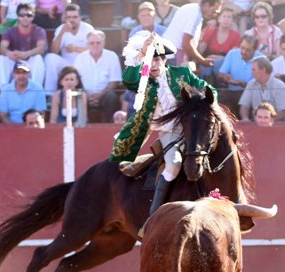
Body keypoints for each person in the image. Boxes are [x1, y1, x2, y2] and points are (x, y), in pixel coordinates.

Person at [110, 32, 217, 214]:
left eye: (157, 59)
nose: (154, 64)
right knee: (174, 163)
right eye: (150, 60)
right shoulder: (143, 79)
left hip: (192, 128)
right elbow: (128, 79)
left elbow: (209, 89)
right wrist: (143, 53)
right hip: (170, 132)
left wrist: (209, 99)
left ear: (165, 60)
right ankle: (155, 212)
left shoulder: (181, 73)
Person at [44, 3, 94, 96]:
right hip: (67, 66)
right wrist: (62, 32)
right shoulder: (61, 29)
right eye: (69, 17)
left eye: (75, 17)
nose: (71, 20)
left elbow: (94, 50)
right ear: (65, 18)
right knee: (50, 58)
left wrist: (76, 48)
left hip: (84, 65)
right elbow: (54, 50)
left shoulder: (88, 29)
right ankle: (49, 95)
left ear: (80, 18)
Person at [73, 30, 122, 123]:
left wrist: (100, 95)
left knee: (112, 97)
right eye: (91, 43)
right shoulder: (80, 58)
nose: (95, 45)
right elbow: (76, 80)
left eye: (98, 43)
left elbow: (115, 81)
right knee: (77, 96)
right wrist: (86, 95)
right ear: (87, 44)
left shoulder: (112, 56)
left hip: (105, 94)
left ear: (104, 43)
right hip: (85, 94)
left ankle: (109, 126)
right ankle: (80, 125)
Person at [0, 3, 47, 89]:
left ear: (33, 17)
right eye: (22, 15)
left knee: (38, 58)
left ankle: (35, 91)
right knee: (2, 59)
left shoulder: (39, 31)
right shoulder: (10, 31)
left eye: (29, 15)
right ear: (18, 16)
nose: (25, 18)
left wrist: (26, 54)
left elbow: (41, 48)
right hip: (14, 60)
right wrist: (10, 53)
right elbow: (1, 48)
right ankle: (3, 92)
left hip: (30, 62)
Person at [163, 0, 223, 66]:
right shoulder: (196, 13)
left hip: (169, 53)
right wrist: (202, 61)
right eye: (215, 11)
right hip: (172, 56)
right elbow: (186, 44)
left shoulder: (192, 8)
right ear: (206, 5)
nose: (215, 15)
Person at [217, 35, 262, 117]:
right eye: (242, 48)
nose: (244, 52)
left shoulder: (261, 59)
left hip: (251, 92)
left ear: (254, 50)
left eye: (248, 50)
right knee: (219, 97)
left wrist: (244, 84)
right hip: (232, 91)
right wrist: (225, 77)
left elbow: (262, 82)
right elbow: (220, 74)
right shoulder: (232, 54)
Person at [198, 7, 241, 86]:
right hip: (208, 59)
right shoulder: (211, 31)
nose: (226, 19)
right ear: (219, 19)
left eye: (229, 17)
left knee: (218, 63)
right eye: (224, 16)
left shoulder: (236, 35)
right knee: (205, 66)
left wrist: (218, 58)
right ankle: (206, 90)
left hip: (225, 61)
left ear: (232, 21)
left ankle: (220, 88)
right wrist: (205, 35)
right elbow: (200, 51)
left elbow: (234, 56)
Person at [239, 56, 285, 122]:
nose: (251, 73)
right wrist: (245, 118)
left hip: (277, 125)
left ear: (263, 69)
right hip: (256, 125)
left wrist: (266, 121)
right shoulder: (251, 84)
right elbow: (244, 105)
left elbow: (284, 112)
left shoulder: (280, 86)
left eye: (254, 70)